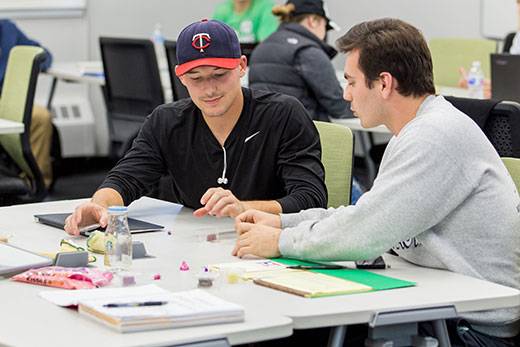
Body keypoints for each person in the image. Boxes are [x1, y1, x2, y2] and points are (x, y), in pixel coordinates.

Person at [234, 18, 520, 345]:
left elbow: (366, 233)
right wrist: (282, 223)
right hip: (438, 302)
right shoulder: (413, 132)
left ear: (383, 84)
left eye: (351, 81)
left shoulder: (434, 136)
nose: (345, 93)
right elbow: (366, 214)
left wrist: (279, 242)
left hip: (471, 328)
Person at [64, 19, 327, 236]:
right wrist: (98, 206)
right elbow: (125, 179)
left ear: (242, 66)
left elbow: (311, 198)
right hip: (196, 244)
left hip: (271, 244)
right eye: (195, 78)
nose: (209, 89)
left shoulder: (282, 115)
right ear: (180, 76)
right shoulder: (167, 121)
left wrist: (242, 207)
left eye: (219, 75)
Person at [248, 0, 350, 122]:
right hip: (303, 136)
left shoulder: (261, 48)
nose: (325, 35)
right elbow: (337, 106)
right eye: (325, 27)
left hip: (265, 135)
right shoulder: (308, 51)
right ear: (313, 21)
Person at [0, 19, 53, 188]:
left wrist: (28, 67)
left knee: (40, 117)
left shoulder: (7, 29)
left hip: (7, 101)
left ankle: (35, 183)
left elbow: (43, 54)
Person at [213, 0, 278, 43]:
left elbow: (266, 43)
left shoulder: (266, 8)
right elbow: (215, 43)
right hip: (230, 60)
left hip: (254, 60)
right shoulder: (222, 10)